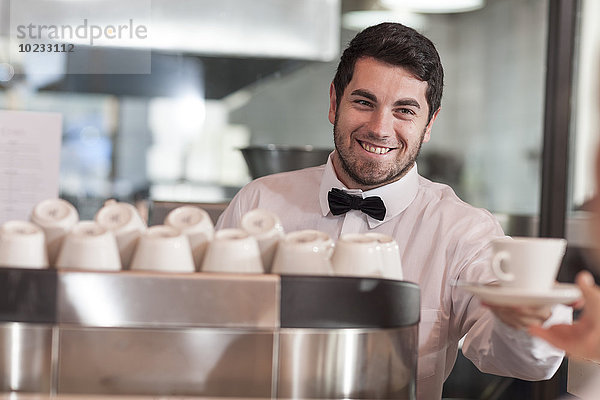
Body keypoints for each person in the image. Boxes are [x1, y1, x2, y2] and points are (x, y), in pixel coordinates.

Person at [216, 22, 572, 399]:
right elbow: (212, 322)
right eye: (364, 102)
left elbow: (522, 360)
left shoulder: (463, 231)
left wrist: (530, 316)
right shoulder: (258, 201)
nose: (380, 128)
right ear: (335, 102)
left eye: (404, 110)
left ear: (429, 124)